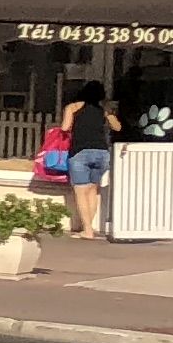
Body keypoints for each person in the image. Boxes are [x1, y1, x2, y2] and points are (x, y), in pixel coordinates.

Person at [63, 80, 121, 238]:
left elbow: (64, 127)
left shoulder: (73, 107)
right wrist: (109, 113)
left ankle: (87, 230)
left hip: (79, 152)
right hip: (101, 152)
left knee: (80, 191)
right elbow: (117, 127)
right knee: (93, 190)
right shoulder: (103, 109)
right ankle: (89, 227)